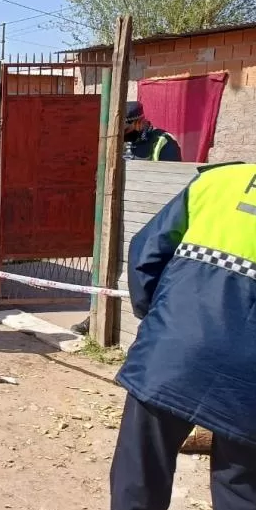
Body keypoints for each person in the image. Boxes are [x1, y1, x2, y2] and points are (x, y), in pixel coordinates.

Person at [102, 162, 256, 510]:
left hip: (173, 350)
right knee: (246, 491)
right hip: (252, 382)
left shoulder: (218, 181)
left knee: (142, 463)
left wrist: (160, 320)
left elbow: (146, 254)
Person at [72, 101, 185, 336]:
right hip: (115, 218)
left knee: (145, 272)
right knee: (105, 267)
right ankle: (95, 317)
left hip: (148, 220)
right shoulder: (115, 143)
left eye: (124, 127)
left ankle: (148, 327)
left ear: (138, 122)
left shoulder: (162, 143)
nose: (119, 133)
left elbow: (171, 183)